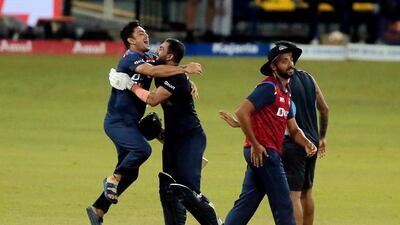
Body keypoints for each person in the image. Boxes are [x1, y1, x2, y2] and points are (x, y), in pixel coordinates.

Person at [85, 21, 203, 225]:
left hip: (131, 123)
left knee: (131, 173)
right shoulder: (131, 58)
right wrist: (185, 69)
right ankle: (113, 178)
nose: (146, 36)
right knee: (142, 151)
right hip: (117, 122)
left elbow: (165, 67)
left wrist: (184, 79)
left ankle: (98, 209)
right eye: (141, 34)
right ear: (130, 40)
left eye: (146, 33)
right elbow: (155, 72)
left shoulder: (148, 57)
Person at [108, 38, 222, 225]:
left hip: (190, 138)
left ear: (169, 56)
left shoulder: (176, 78)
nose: (156, 50)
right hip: (173, 139)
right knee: (167, 187)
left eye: (161, 48)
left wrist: (130, 85)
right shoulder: (162, 67)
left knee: (186, 190)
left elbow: (152, 99)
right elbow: (150, 68)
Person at [221, 41, 329, 225]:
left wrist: (307, 143)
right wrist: (255, 144)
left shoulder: (286, 93)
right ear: (273, 66)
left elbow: (293, 129)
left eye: (291, 60)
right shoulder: (268, 88)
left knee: (246, 203)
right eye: (285, 61)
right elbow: (243, 111)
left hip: (263, 152)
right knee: (285, 205)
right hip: (265, 152)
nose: (290, 64)